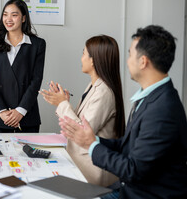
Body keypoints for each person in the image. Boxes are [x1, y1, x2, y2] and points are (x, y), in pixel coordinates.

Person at [60, 25, 187, 198]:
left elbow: (133, 170)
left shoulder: (162, 110)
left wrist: (91, 146)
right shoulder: (152, 97)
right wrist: (93, 140)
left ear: (143, 62)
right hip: (127, 189)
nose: (127, 61)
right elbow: (126, 146)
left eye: (130, 55)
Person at [39, 35, 125, 187]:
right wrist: (63, 103)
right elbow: (81, 121)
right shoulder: (94, 86)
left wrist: (62, 104)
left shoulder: (104, 92)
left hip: (94, 172)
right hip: (81, 164)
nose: (81, 58)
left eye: (83, 53)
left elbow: (82, 132)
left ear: (93, 60)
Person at [0, 0, 46, 133]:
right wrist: (1, 111)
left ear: (23, 18)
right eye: (5, 14)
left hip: (27, 114)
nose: (8, 19)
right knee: (1, 153)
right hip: (0, 116)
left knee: (26, 153)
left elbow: (36, 80)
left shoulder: (37, 44)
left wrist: (20, 110)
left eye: (14, 15)